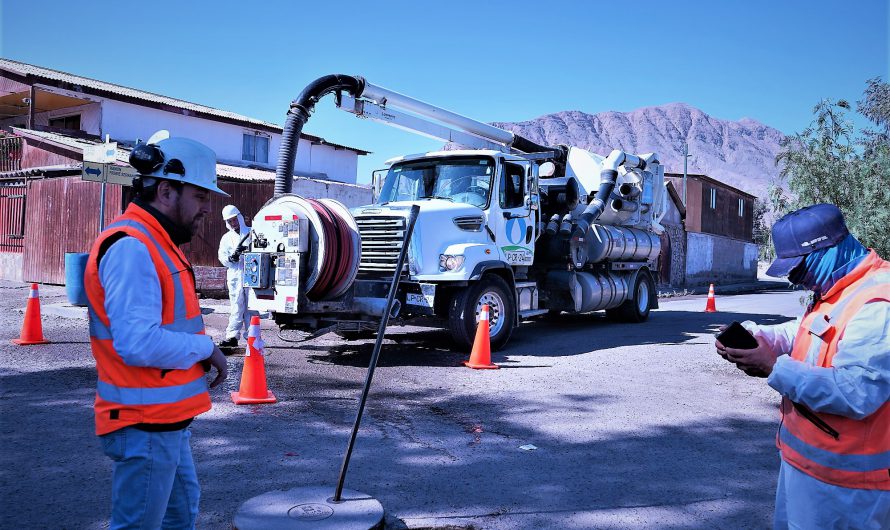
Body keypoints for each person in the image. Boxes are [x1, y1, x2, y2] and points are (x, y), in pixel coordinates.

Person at [84, 132, 229, 529]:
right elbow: (137, 343)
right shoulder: (133, 246)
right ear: (166, 190)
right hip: (143, 422)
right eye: (200, 198)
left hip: (162, 420)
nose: (207, 211)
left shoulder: (156, 242)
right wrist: (203, 347)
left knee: (180, 514)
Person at [715, 203, 890, 529]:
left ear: (828, 248)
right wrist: (759, 336)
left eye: (798, 269)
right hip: (807, 469)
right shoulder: (836, 289)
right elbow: (806, 331)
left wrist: (773, 367)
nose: (796, 280)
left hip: (848, 489)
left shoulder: (878, 302)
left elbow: (857, 392)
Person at [217, 204, 250, 349]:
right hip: (236, 276)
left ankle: (252, 336)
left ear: (239, 217)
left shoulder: (251, 233)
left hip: (251, 275)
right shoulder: (226, 238)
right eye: (229, 221)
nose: (233, 223)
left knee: (251, 308)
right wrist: (232, 258)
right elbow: (222, 257)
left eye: (234, 219)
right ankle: (232, 337)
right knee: (236, 307)